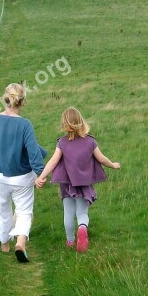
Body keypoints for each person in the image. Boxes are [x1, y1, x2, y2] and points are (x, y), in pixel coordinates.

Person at [35, 107, 120, 253]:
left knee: (68, 212)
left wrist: (41, 177)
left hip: (67, 185)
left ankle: (70, 241)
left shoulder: (61, 142)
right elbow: (101, 159)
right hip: (85, 184)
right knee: (82, 213)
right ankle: (82, 228)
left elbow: (53, 162)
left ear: (64, 124)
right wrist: (113, 164)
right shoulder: (91, 142)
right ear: (81, 122)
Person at [0, 83, 47, 263]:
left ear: (6, 98)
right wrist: (41, 174)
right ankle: (20, 242)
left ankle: (4, 244)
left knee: (3, 209)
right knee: (24, 210)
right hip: (21, 176)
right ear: (22, 102)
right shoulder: (25, 125)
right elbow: (33, 153)